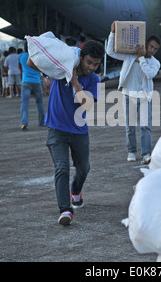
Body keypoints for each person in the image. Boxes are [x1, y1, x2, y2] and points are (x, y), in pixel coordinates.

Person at [27, 40, 105, 226]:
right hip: (57, 130)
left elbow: (87, 105)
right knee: (61, 168)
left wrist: (75, 81)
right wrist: (50, 51)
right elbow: (31, 62)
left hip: (79, 131)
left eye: (96, 64)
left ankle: (76, 191)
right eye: (89, 63)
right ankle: (65, 209)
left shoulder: (94, 80)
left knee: (83, 169)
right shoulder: (60, 69)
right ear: (80, 58)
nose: (92, 67)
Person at [106, 20, 161, 165]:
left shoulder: (155, 63)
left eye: (155, 49)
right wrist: (112, 32)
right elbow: (110, 52)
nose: (152, 50)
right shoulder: (129, 56)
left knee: (145, 126)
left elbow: (149, 74)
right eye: (151, 46)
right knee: (130, 126)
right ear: (145, 44)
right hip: (128, 95)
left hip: (144, 97)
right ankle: (131, 151)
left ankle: (146, 154)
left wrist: (141, 57)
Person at [18, 41, 45, 131]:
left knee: (24, 103)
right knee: (39, 102)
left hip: (26, 81)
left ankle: (24, 123)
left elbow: (20, 67)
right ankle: (41, 122)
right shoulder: (36, 55)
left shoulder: (21, 56)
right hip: (36, 81)